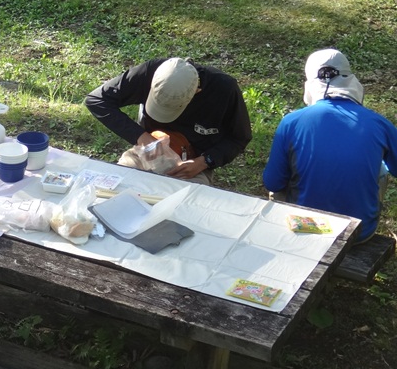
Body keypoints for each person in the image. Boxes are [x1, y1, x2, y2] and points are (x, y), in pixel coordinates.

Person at [263, 49, 397, 244]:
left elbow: (273, 183)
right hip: (359, 232)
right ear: (350, 80)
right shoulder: (380, 124)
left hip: (306, 228)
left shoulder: (291, 122)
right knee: (381, 168)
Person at [85, 57, 252, 184]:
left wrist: (204, 161)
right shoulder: (151, 72)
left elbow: (239, 138)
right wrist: (142, 137)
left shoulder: (224, 89)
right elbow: (96, 100)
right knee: (120, 183)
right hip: (147, 152)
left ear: (196, 92)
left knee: (183, 204)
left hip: (190, 165)